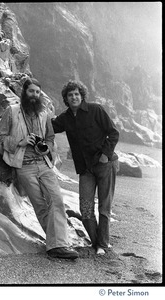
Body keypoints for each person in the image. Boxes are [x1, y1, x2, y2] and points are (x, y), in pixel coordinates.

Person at [0, 77, 79, 259]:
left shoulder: (44, 114)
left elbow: (50, 138)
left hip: (44, 164)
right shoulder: (12, 111)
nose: (35, 95)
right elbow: (0, 138)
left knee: (56, 200)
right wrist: (21, 142)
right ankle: (56, 246)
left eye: (38, 92)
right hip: (23, 166)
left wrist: (46, 148)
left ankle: (58, 244)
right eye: (31, 91)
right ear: (24, 92)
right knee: (40, 206)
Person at [51, 80, 119, 255]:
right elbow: (48, 127)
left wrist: (105, 155)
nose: (74, 97)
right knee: (86, 208)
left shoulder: (96, 110)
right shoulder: (65, 118)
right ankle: (97, 243)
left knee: (104, 206)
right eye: (70, 95)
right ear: (66, 98)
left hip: (105, 164)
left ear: (82, 96)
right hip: (85, 169)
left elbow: (113, 132)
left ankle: (102, 245)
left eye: (76, 94)